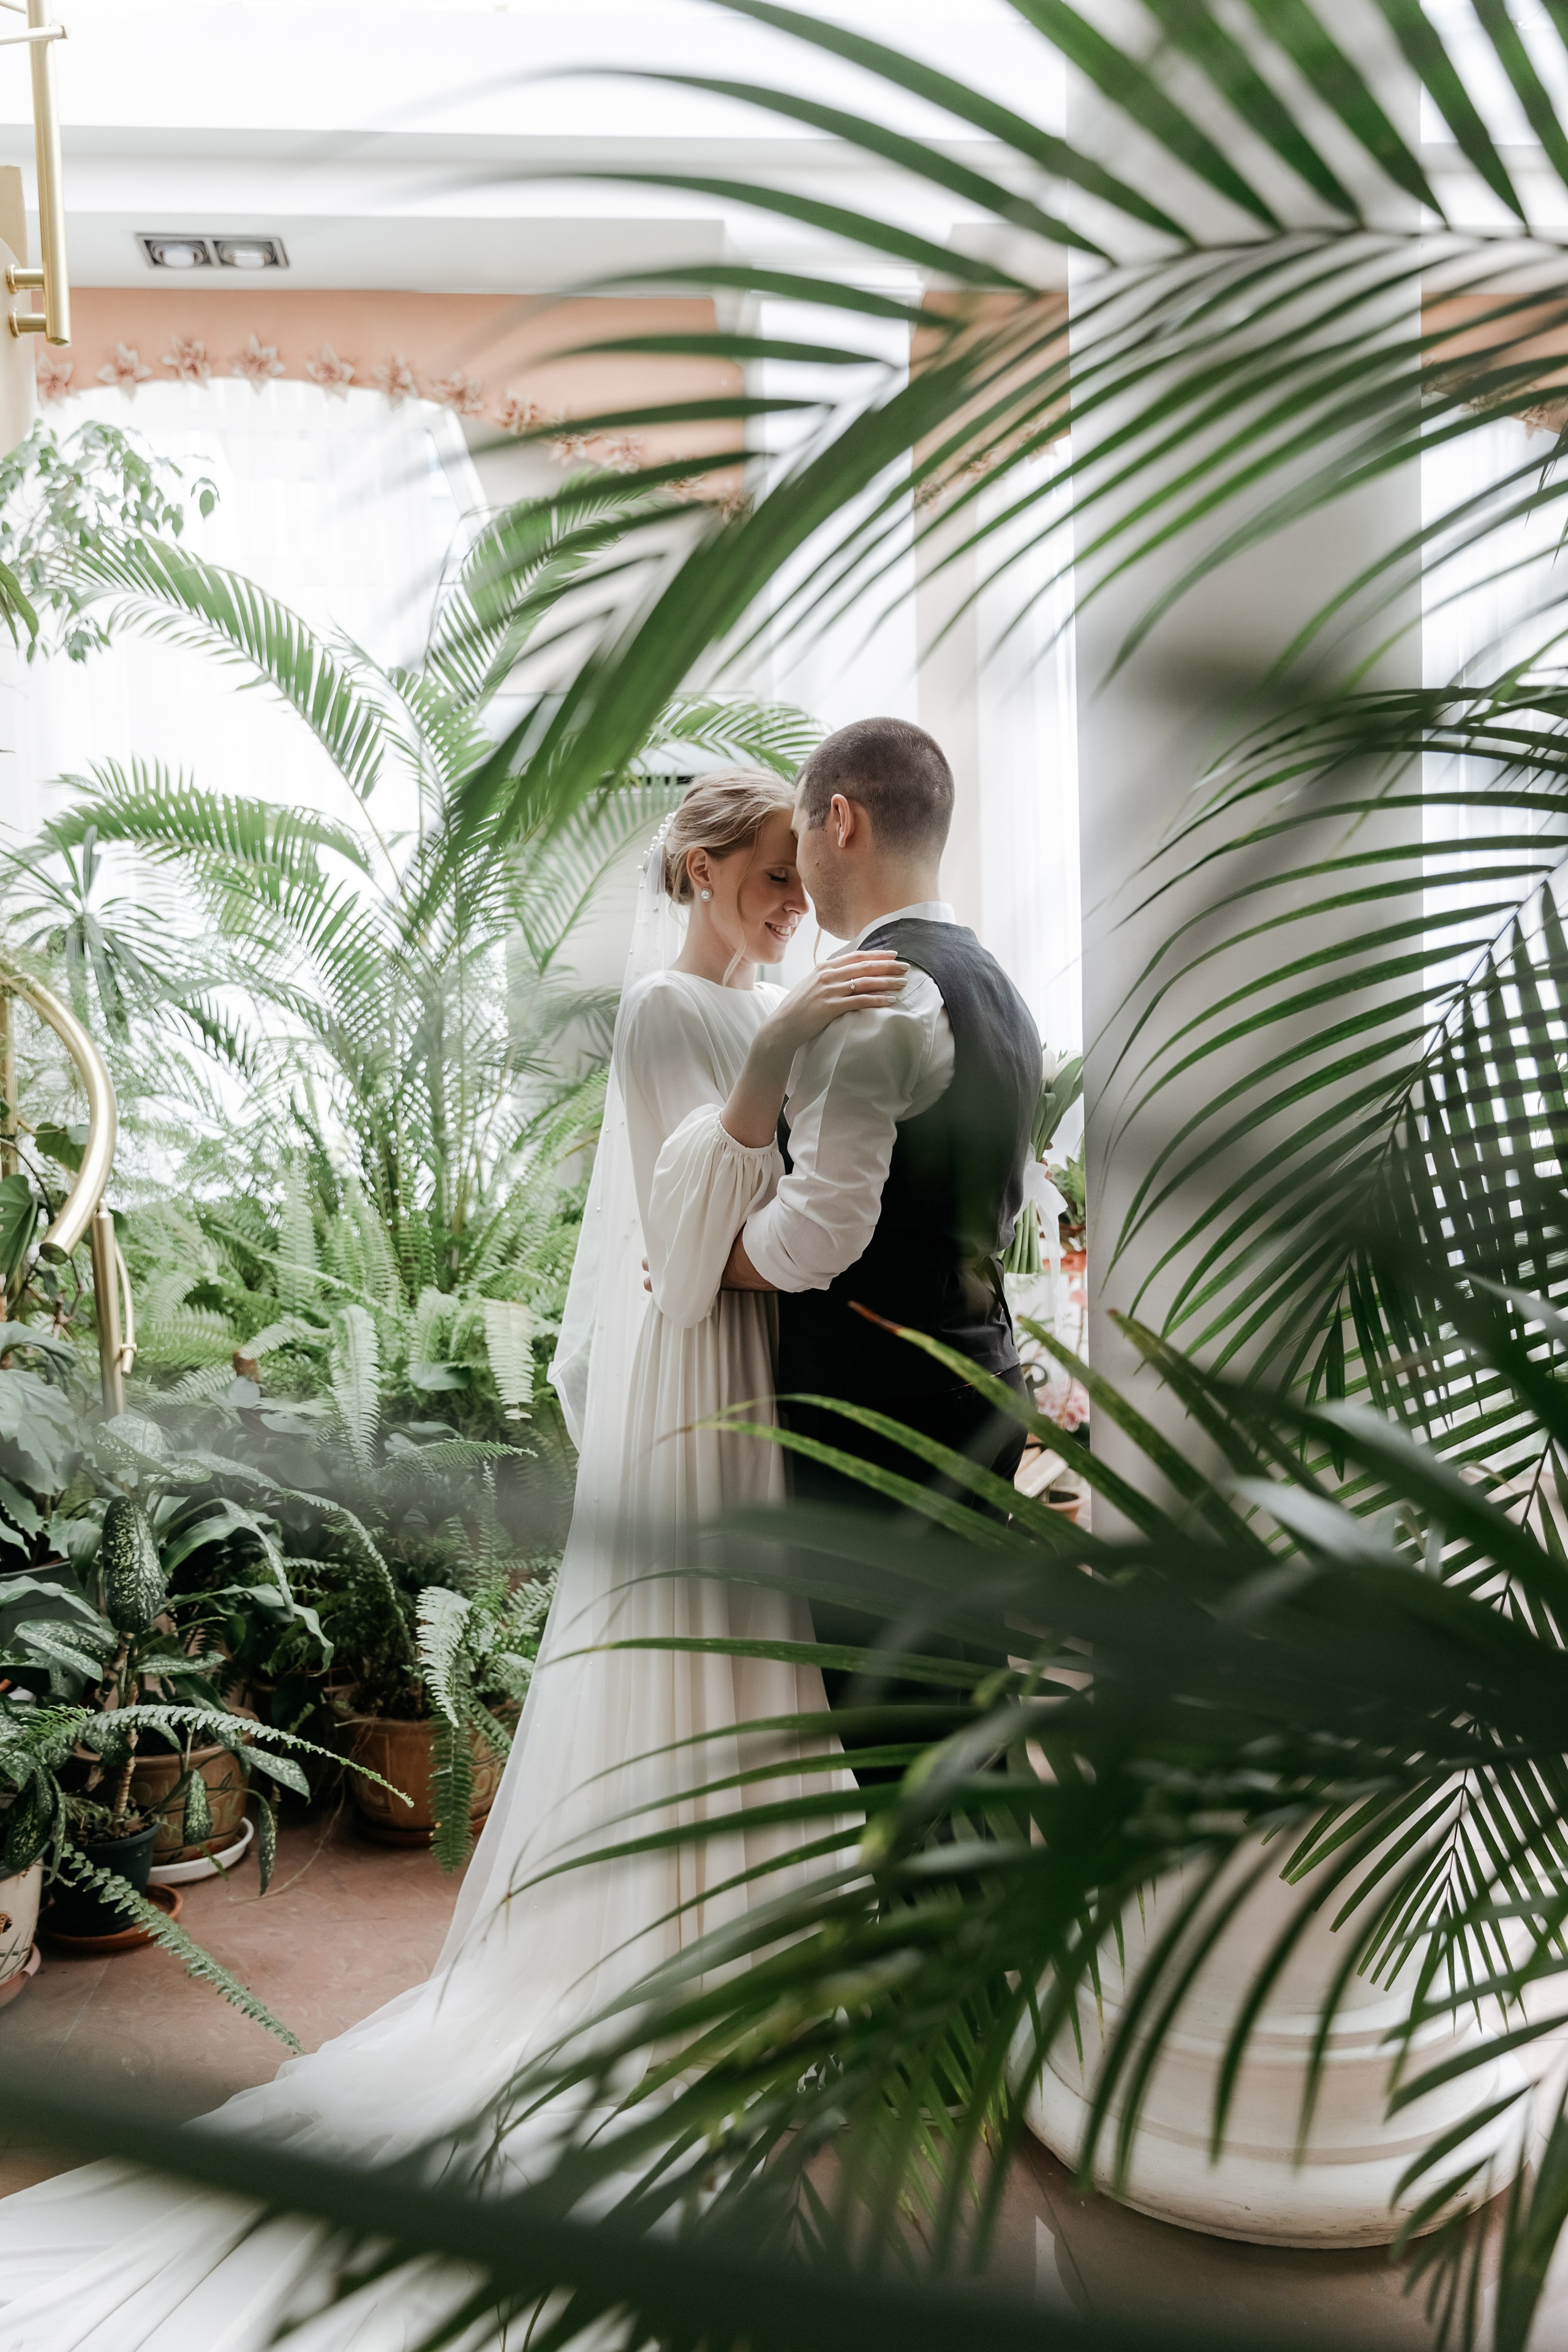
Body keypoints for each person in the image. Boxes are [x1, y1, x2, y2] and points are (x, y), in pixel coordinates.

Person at [0, 768, 901, 2352]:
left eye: (789, 877)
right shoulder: (666, 1022)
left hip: (752, 1381)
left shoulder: (768, 1001)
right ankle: (659, 1977)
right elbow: (684, 1265)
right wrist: (777, 1051)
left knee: (759, 1656)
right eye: (763, 874)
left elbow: (771, 1204)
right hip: (694, 1383)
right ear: (696, 870)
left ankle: (763, 1956)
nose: (783, 901)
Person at [717, 717, 1042, 1754]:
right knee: (966, 1716)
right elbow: (1008, 1200)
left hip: (880, 1428)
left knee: (898, 1743)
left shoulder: (872, 993)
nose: (799, 873)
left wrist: (710, 1260)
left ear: (840, 822)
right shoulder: (998, 989)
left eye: (802, 839)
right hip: (981, 1388)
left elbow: (823, 1232)